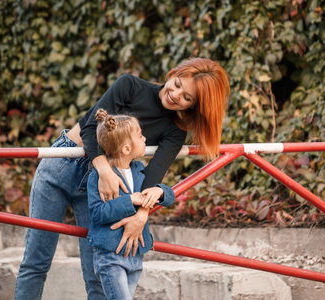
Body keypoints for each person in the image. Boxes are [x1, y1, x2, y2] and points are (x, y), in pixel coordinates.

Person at [15, 57, 230, 299]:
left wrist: (141, 216)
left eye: (187, 97)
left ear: (193, 107)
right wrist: (105, 170)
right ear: (173, 74)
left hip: (103, 190)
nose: (175, 94)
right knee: (36, 261)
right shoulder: (130, 86)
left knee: (98, 270)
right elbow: (88, 126)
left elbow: (150, 179)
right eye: (178, 83)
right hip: (63, 165)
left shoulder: (174, 131)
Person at [87, 109, 175, 299]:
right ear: (127, 149)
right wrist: (130, 200)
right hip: (111, 256)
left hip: (135, 256)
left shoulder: (140, 170)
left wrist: (159, 191)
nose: (145, 139)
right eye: (141, 136)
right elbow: (97, 214)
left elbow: (170, 196)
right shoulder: (99, 177)